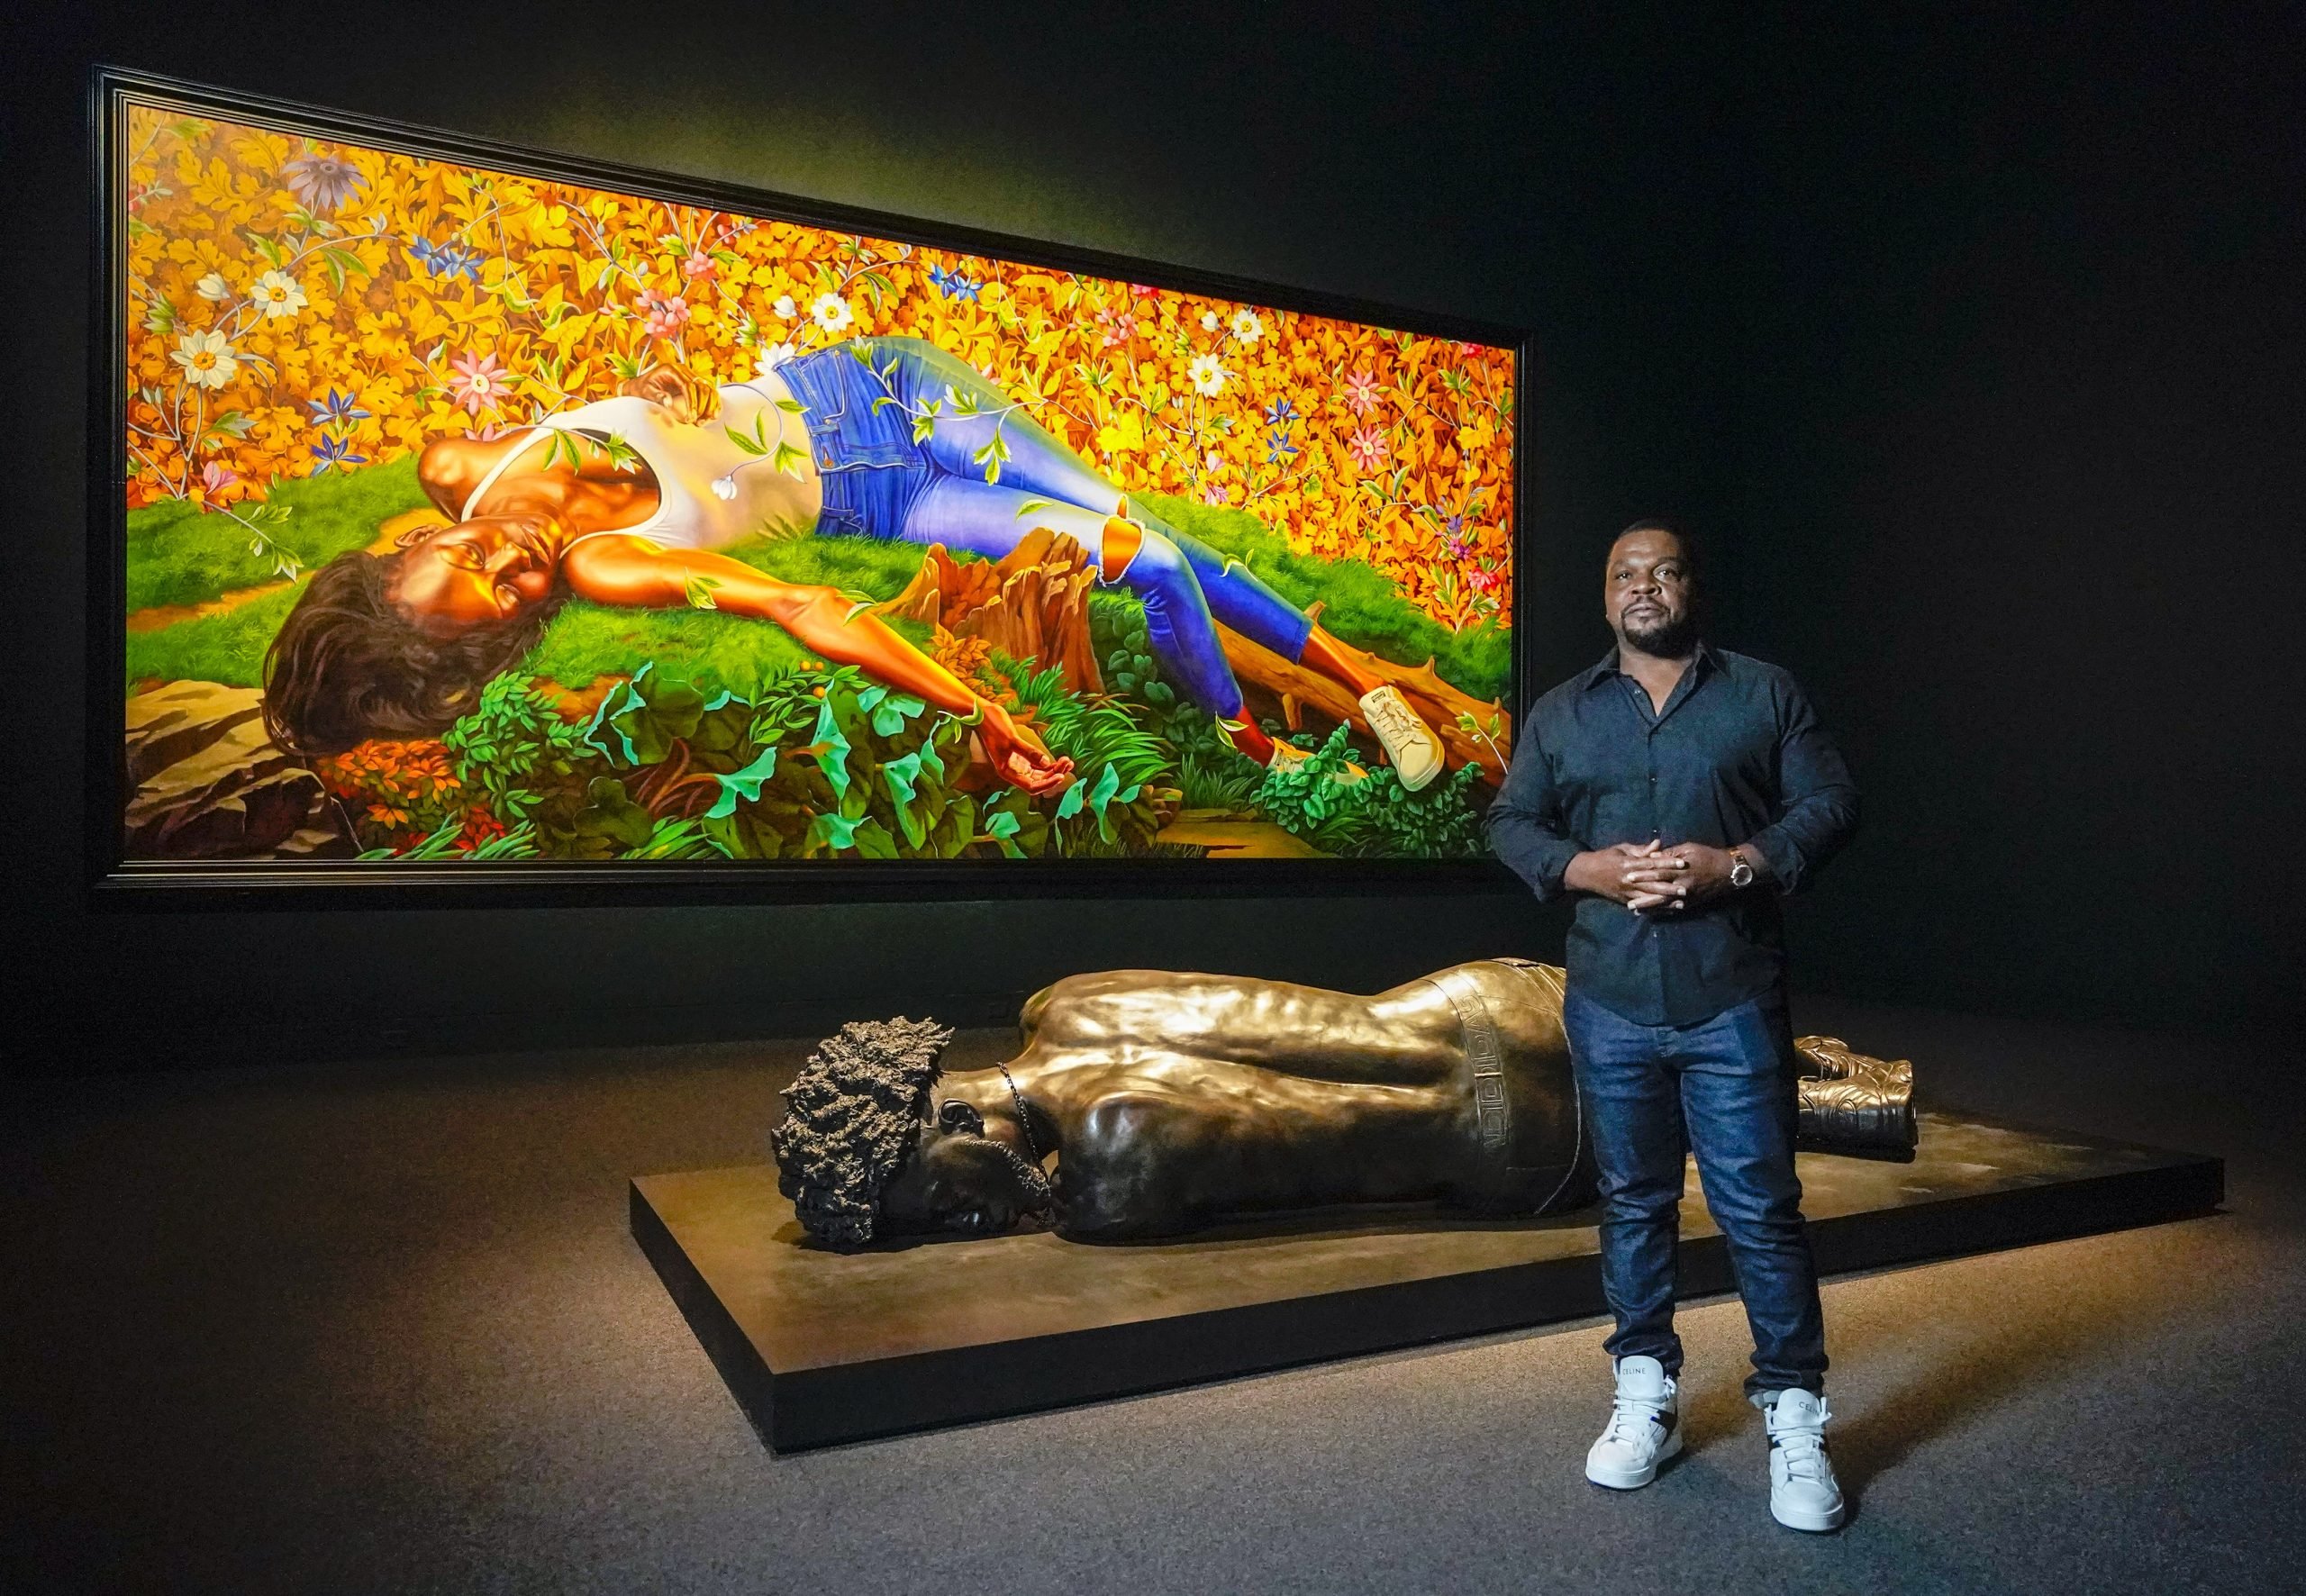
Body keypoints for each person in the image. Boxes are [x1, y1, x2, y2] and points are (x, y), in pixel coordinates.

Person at [261, 337, 1446, 792]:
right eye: (507, 598)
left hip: (889, 388)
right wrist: (977, 704)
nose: (513, 559)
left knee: (1142, 523)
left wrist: (654, 372)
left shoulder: (451, 459)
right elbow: (805, 606)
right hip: (895, 490)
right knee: (1143, 560)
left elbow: (611, 396)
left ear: (420, 538)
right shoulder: (608, 566)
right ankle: (1260, 745)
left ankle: (1361, 682)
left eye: (473, 555)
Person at [1484, 520, 1861, 1533]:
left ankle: (1793, 1413)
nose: (1643, 586)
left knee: (1760, 1211)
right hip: (1608, 998)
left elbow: (1829, 802)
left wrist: (1734, 862)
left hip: (1731, 993)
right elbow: (1511, 822)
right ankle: (1644, 1392)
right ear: (1606, 599)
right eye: (1624, 574)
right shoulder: (1562, 711)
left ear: (1693, 587)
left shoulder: (1763, 692)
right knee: (1633, 1203)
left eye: (1663, 570)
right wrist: (1589, 868)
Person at [771, 957, 1597, 1247]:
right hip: (1493, 996)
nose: (966, 1226)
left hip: (1522, 1146)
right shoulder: (1064, 1000)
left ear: (953, 1119)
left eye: (947, 1199)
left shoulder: (1105, 1169)